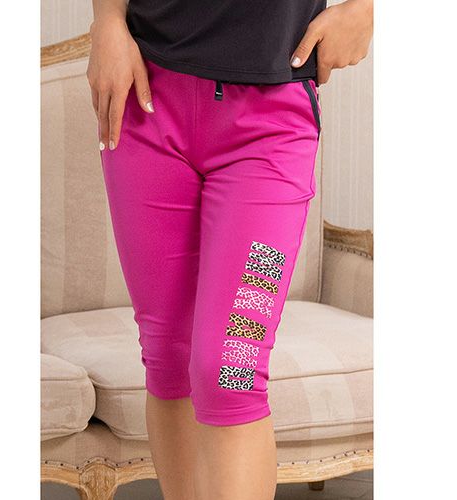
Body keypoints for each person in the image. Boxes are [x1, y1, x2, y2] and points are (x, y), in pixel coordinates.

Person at [87, 1, 373, 498]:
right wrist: (107, 21)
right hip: (146, 106)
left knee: (232, 367)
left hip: (273, 129)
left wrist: (368, 9)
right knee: (168, 357)